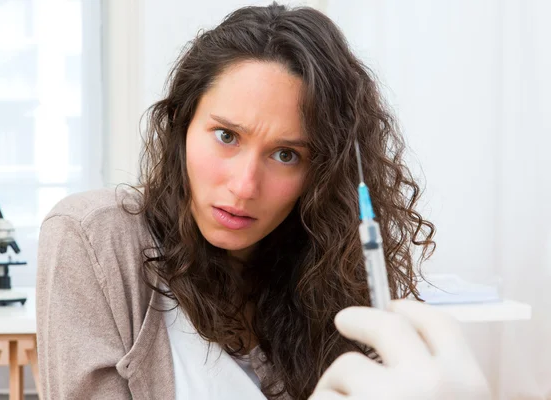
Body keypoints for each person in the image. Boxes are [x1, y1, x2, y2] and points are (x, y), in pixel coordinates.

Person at [36, 3, 491, 400]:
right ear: (181, 126)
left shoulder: (325, 274)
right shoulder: (92, 239)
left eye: (286, 154)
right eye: (227, 136)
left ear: (322, 174)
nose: (244, 185)